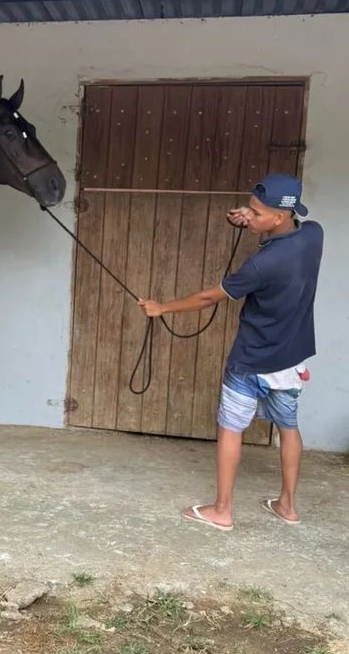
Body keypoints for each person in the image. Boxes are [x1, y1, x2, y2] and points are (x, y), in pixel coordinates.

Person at [138, 173, 323, 532]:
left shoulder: (260, 266)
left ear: (278, 217)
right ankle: (287, 506)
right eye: (248, 208)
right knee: (288, 427)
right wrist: (251, 218)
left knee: (231, 429)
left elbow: (208, 297)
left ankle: (221, 510)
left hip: (251, 361)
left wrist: (162, 307)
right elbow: (287, 231)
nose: (248, 215)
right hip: (291, 360)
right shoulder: (314, 235)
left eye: (256, 213)